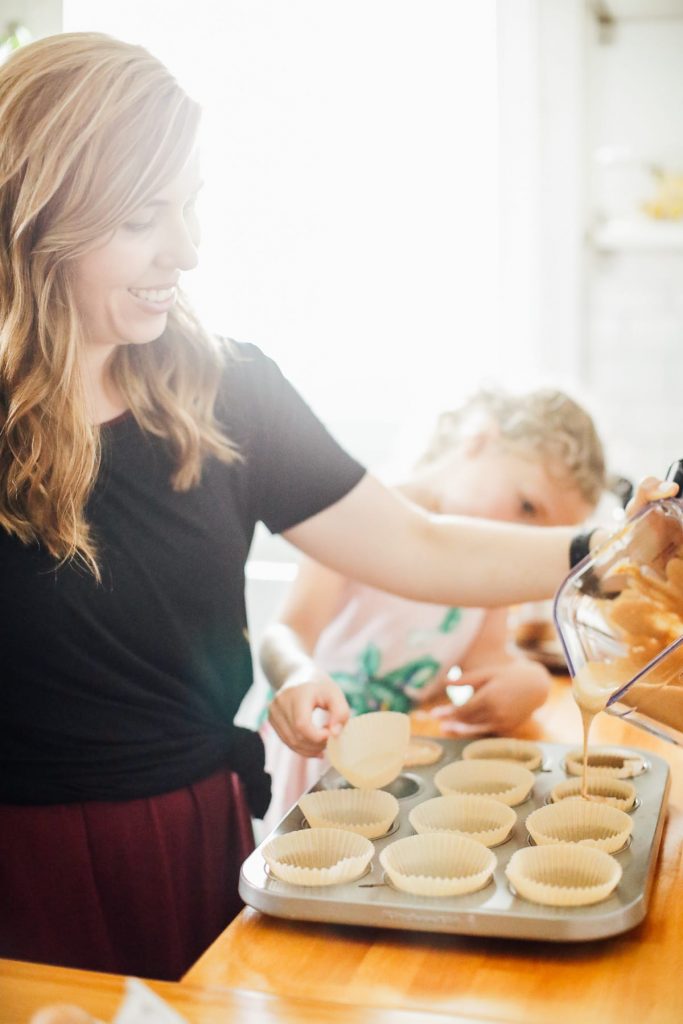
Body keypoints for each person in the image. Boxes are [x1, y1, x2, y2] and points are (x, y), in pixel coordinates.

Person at [0, 32, 674, 982]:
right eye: (145, 217)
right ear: (41, 212)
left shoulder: (228, 390)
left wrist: (617, 546)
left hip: (200, 829)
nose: (187, 252)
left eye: (189, 208)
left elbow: (418, 543)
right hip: (22, 862)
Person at [258, 389, 606, 826]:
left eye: (543, 534)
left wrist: (528, 683)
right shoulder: (357, 518)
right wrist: (297, 674)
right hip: (313, 751)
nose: (523, 536)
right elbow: (286, 631)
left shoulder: (493, 573)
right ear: (480, 441)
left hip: (401, 762)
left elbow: (488, 661)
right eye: (527, 506)